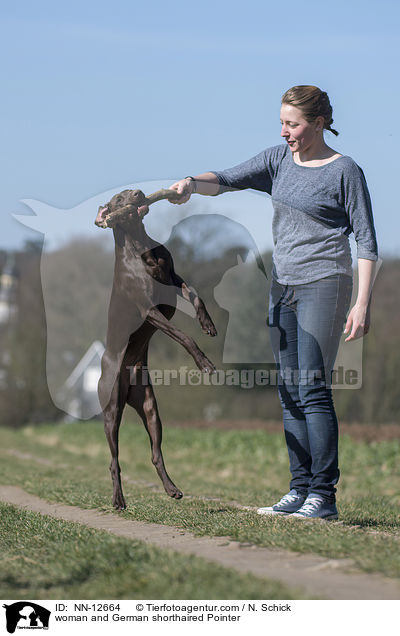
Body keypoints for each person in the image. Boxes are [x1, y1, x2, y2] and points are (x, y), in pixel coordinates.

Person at [167, 85, 378, 520]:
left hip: (325, 283)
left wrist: (361, 303)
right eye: (282, 122)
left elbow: (367, 241)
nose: (285, 131)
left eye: (293, 124)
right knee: (289, 392)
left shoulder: (345, 171)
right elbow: (224, 180)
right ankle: (299, 490)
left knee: (313, 389)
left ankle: (324, 496)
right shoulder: (277, 159)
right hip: (282, 287)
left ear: (319, 123)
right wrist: (190, 183)